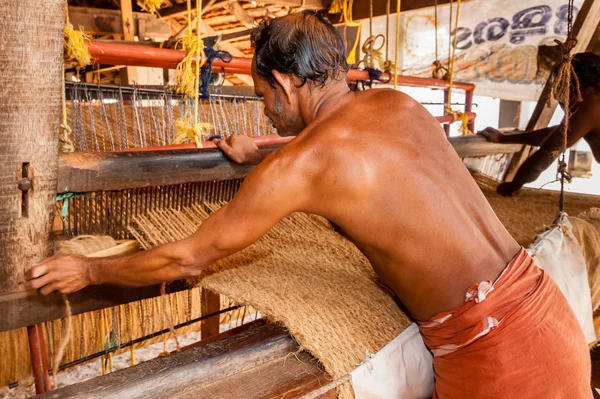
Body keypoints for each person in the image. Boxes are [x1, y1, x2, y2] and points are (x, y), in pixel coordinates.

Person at [26, 11, 591, 398]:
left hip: (494, 353)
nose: (266, 112)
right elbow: (349, 154)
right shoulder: (397, 105)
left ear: (283, 82)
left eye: (263, 98)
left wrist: (89, 268)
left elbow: (186, 260)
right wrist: (262, 154)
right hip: (542, 312)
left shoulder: (304, 166)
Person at [480, 52, 600, 196]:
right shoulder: (592, 105)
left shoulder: (590, 107)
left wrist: (513, 186)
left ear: (575, 86)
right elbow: (557, 135)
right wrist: (504, 139)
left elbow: (544, 157)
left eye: (565, 89)